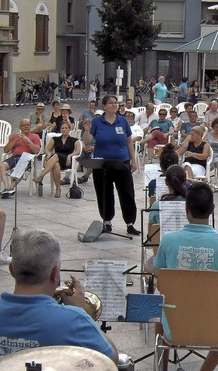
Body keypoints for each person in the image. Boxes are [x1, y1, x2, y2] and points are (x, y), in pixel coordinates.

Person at [154, 183, 218, 371]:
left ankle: (163, 369)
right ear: (212, 209)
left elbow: (161, 284)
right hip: (216, 328)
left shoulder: (168, 240)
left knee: (160, 314)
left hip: (175, 326)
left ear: (186, 208)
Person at [0, 230, 118, 363]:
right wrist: (83, 313)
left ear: (11, 270)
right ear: (55, 274)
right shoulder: (75, 319)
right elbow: (111, 358)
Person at [82, 94, 140, 235]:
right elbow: (88, 141)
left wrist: (134, 160)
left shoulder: (123, 121)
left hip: (122, 162)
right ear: (104, 106)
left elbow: (128, 141)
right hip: (103, 164)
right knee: (104, 193)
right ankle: (107, 221)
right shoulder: (97, 122)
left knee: (127, 193)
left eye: (116, 103)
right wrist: (87, 130)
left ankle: (130, 223)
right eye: (111, 103)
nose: (115, 105)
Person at [32, 121, 81, 198]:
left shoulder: (74, 140)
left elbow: (78, 151)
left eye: (66, 128)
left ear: (69, 129)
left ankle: (41, 175)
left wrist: (70, 156)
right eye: (62, 128)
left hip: (67, 161)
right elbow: (47, 149)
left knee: (55, 156)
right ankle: (58, 189)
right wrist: (48, 154)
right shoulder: (55, 139)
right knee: (56, 165)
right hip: (56, 160)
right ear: (60, 129)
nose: (64, 129)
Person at [0, 119, 41, 197]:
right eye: (24, 125)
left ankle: (11, 188)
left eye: (28, 125)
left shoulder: (34, 136)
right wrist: (14, 141)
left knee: (22, 164)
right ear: (20, 127)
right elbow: (6, 150)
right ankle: (7, 188)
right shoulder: (15, 136)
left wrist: (28, 140)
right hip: (14, 157)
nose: (26, 126)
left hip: (27, 157)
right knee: (2, 165)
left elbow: (36, 151)